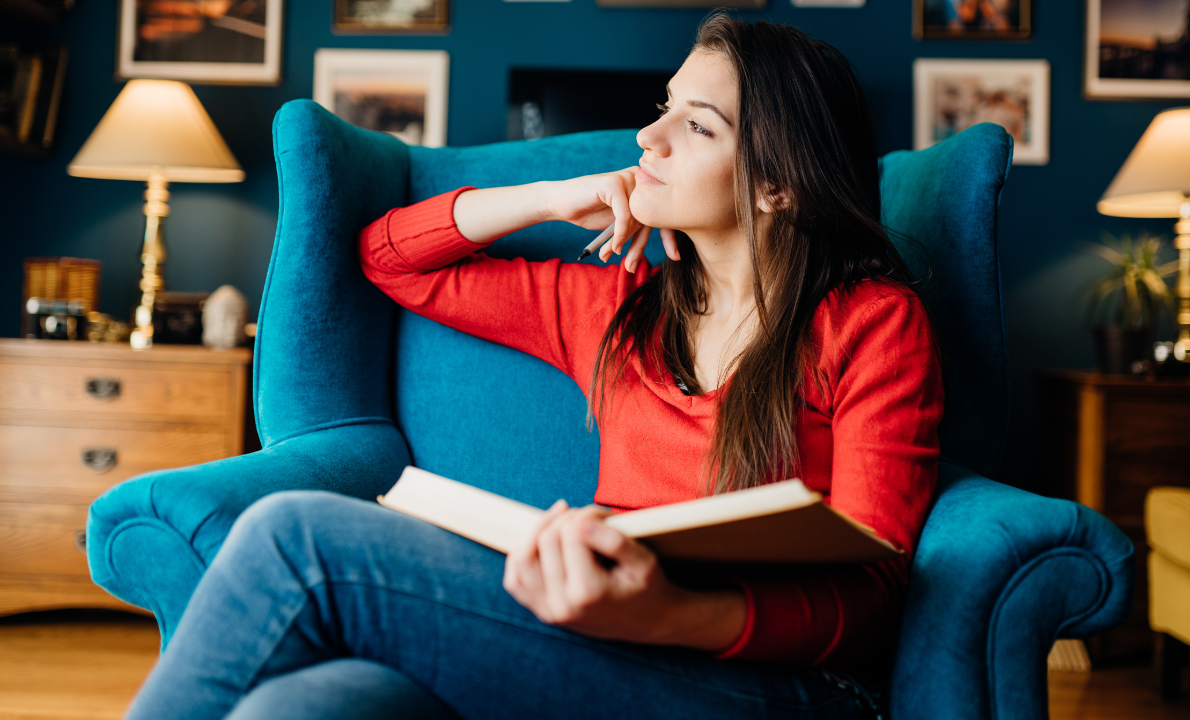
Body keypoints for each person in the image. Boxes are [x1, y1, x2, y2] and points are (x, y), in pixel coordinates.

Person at [123, 13, 942, 720]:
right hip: (606, 644)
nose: (648, 139)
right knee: (307, 703)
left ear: (778, 187)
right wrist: (549, 196)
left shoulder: (871, 322)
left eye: (696, 127)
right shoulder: (620, 310)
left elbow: (874, 595)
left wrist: (665, 614)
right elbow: (388, 259)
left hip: (783, 684)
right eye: (663, 108)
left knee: (293, 536)